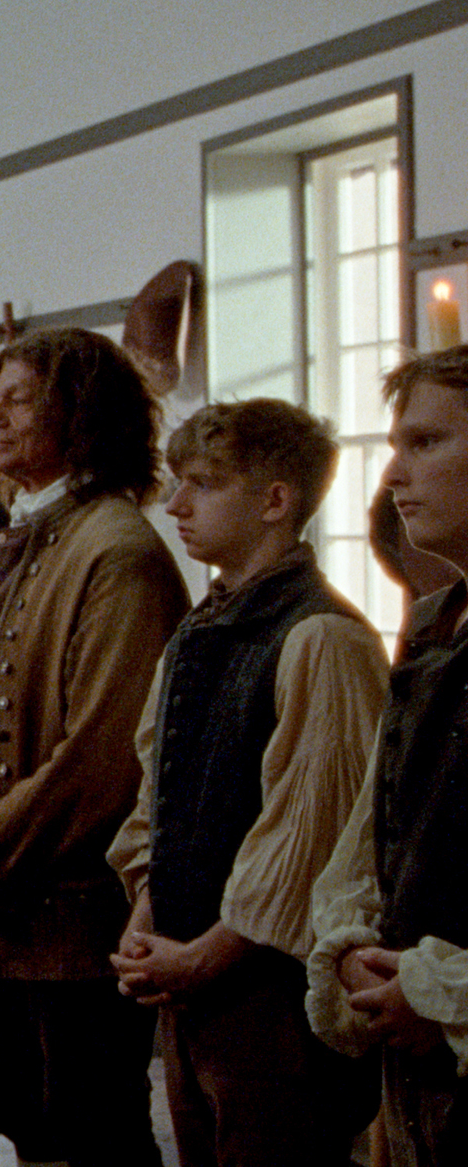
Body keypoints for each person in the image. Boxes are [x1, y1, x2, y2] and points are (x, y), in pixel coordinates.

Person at [0, 328, 189, 1167]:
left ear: (80, 414)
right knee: (41, 1135)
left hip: (71, 934)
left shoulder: (115, 549)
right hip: (9, 924)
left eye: (19, 398)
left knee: (90, 1137)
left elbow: (97, 766)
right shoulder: (35, 535)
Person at [102, 399, 382, 1166]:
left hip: (271, 998)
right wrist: (147, 905)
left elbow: (312, 836)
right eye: (177, 482)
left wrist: (202, 955)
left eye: (203, 483)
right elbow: (157, 788)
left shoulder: (318, 634)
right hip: (191, 982)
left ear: (274, 500)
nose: (176, 504)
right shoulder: (200, 629)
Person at [308, 346, 468, 1165]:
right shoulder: (441, 629)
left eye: (427, 443)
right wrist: (352, 953)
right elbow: (376, 834)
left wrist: (447, 992)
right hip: (420, 1072)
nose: (395, 472)